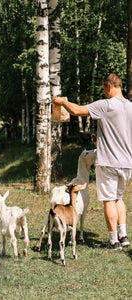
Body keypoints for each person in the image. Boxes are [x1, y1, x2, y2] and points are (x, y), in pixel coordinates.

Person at [53, 73, 132, 250]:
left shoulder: (106, 105)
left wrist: (62, 102)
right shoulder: (130, 107)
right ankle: (123, 236)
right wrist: (102, 141)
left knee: (109, 200)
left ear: (109, 86)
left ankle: (113, 241)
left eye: (104, 89)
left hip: (109, 162)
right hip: (127, 162)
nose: (104, 93)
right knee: (119, 198)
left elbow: (76, 110)